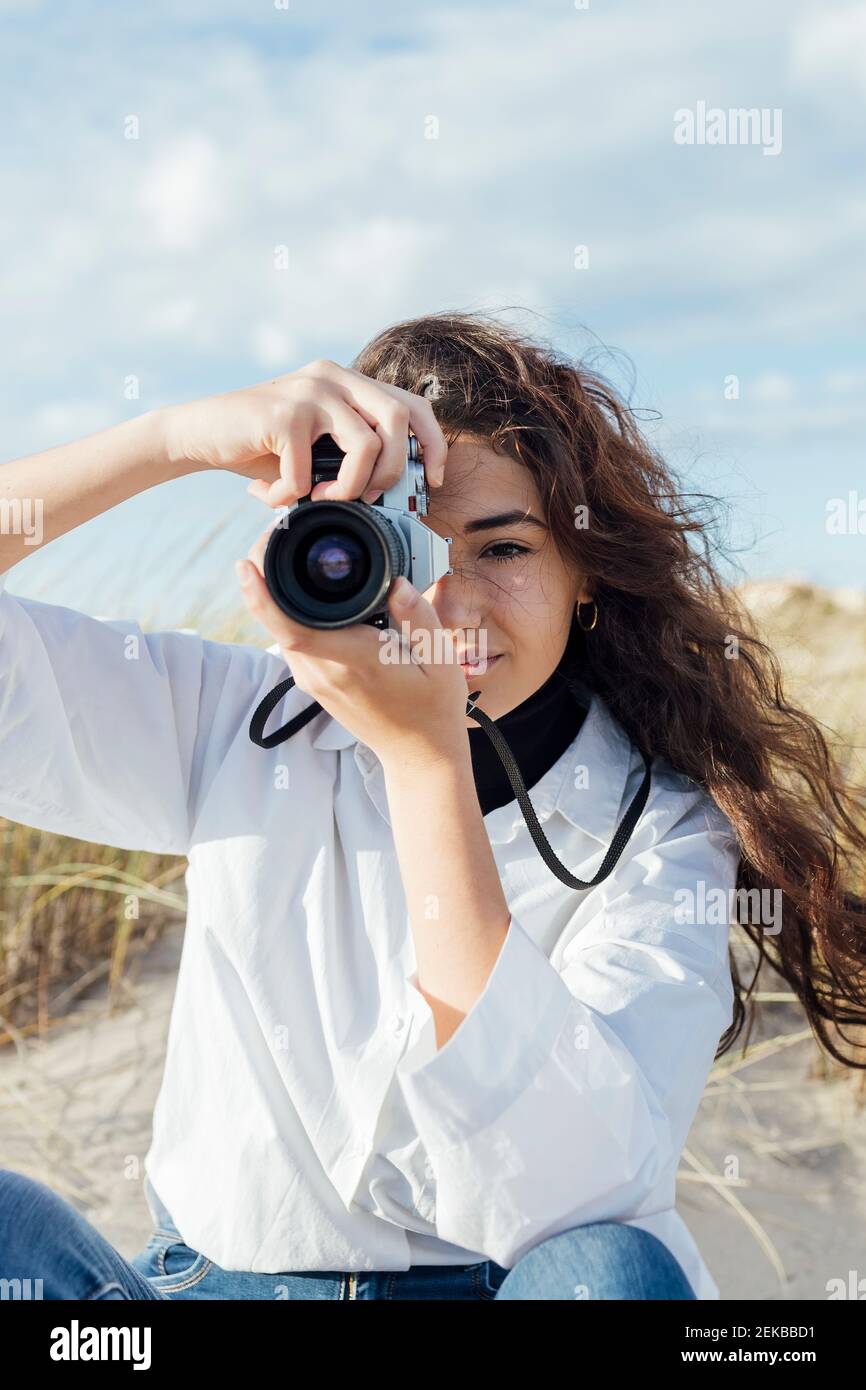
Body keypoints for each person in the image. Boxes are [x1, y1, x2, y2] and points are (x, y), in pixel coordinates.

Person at [1, 312, 864, 1301]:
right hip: (207, 1284)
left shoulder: (661, 829)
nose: (443, 602)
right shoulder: (228, 720)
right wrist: (167, 439)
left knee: (608, 1273)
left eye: (499, 551)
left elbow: (566, 1191)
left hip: (492, 1284)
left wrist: (423, 766)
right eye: (400, 546)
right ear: (324, 551)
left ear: (584, 575)